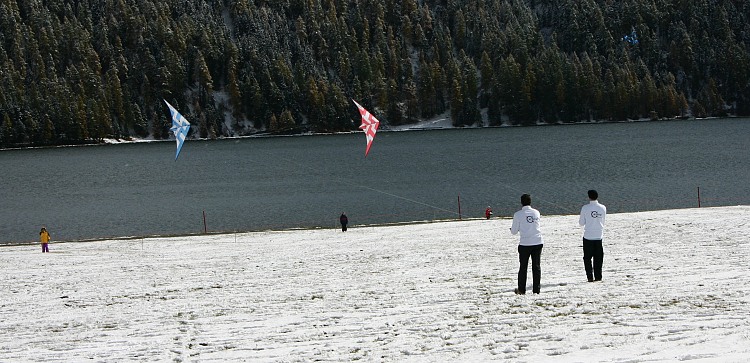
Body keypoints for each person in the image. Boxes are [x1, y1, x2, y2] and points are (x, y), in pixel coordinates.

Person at [510, 194, 543, 294]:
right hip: (537, 242)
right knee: (536, 267)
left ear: (521, 202)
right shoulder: (536, 212)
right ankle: (536, 290)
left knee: (523, 267)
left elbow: (514, 231)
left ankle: (522, 289)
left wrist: (513, 229)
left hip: (525, 244)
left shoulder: (518, 214)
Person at [579, 190, 607, 282]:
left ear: (589, 197)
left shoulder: (585, 208)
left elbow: (581, 223)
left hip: (588, 236)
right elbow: (603, 221)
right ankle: (598, 276)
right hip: (599, 235)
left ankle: (590, 277)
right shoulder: (603, 208)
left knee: (587, 258)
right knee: (598, 257)